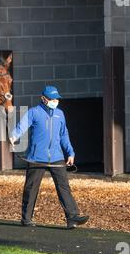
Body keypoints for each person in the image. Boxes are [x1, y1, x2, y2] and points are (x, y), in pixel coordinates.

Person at [10, 85, 89, 229]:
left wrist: (70, 152)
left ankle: (72, 217)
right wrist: (14, 135)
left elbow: (64, 134)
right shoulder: (34, 112)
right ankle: (26, 219)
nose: (55, 101)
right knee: (31, 188)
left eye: (56, 99)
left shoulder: (60, 114)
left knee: (63, 187)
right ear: (43, 99)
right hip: (36, 157)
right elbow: (22, 126)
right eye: (52, 99)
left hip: (56, 156)